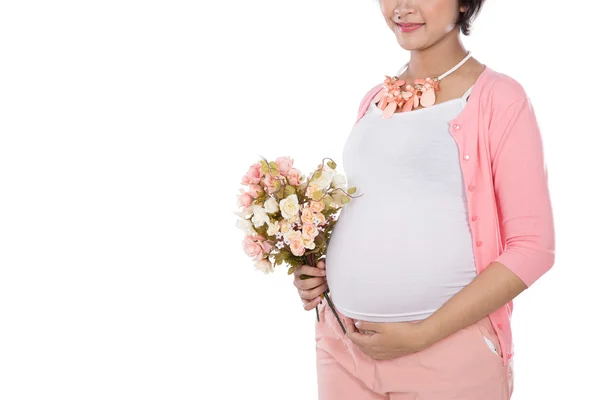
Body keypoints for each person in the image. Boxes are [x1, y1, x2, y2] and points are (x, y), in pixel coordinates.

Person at [292, 0, 555, 399]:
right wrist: (324, 272)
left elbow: (534, 248)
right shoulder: (373, 98)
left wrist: (421, 335)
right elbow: (385, 207)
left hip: (447, 356)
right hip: (343, 345)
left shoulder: (499, 99)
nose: (402, 7)